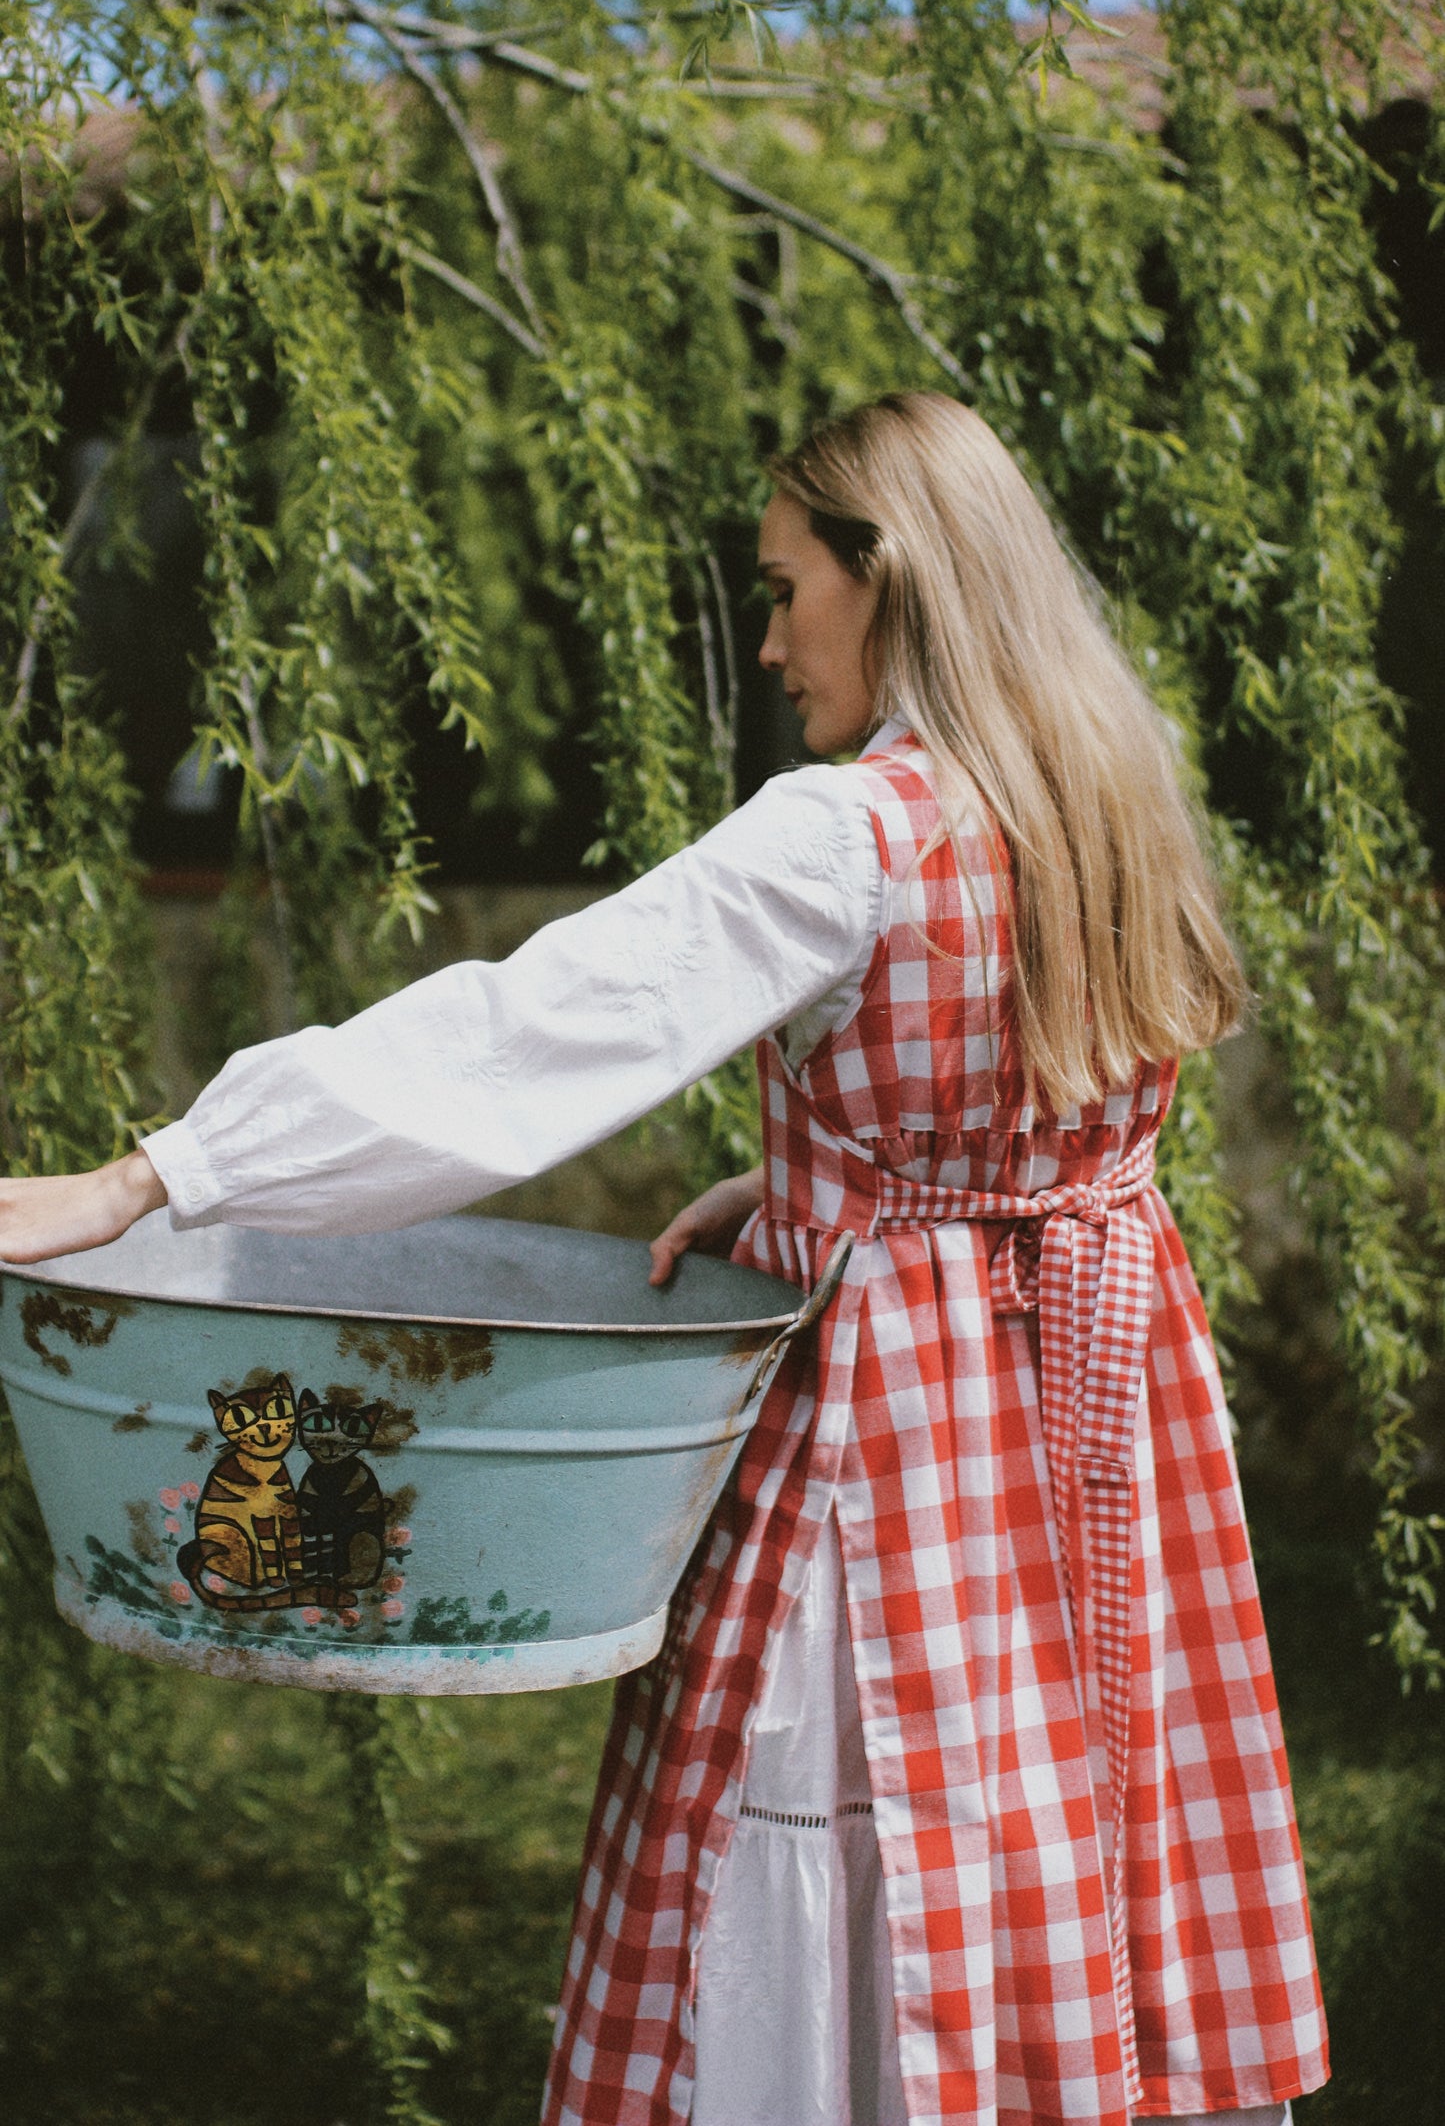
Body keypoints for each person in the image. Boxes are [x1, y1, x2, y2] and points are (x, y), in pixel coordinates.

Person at [0, 394, 1326, 2126]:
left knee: (861, 1807)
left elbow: (525, 1035)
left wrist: (151, 1178)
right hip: (1101, 1411)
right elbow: (1025, 1102)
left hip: (906, 1431)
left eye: (788, 591)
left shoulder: (846, 832)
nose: (770, 642)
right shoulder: (1103, 787)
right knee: (1053, 1811)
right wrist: (797, 1172)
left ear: (894, 573)